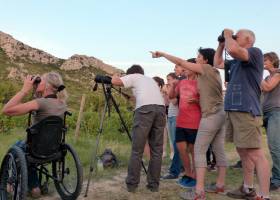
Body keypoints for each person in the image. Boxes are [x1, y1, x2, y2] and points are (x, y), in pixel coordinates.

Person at [151, 48, 227, 200]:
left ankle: (198, 192)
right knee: (218, 150)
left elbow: (180, 62)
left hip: (210, 115)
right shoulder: (212, 73)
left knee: (198, 151)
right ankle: (220, 185)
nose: (196, 59)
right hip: (220, 113)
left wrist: (164, 54)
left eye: (199, 56)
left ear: (205, 60)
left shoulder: (205, 69)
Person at [215, 29, 270, 200]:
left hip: (246, 109)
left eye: (237, 36)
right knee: (243, 151)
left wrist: (228, 33)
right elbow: (217, 63)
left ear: (248, 39)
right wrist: (221, 44)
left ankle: (264, 195)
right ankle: (247, 188)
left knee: (255, 153)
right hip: (234, 109)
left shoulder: (255, 52)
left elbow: (233, 50)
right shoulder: (237, 62)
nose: (234, 38)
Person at [2, 72, 67, 198]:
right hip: (53, 149)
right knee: (28, 152)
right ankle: (35, 187)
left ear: (47, 85)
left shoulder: (40, 103)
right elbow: (44, 103)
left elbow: (7, 110)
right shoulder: (62, 104)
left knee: (17, 147)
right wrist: (37, 90)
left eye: (40, 81)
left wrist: (24, 90)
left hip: (34, 149)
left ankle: (10, 184)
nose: (37, 82)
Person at [111, 64, 166, 192]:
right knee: (157, 150)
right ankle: (153, 185)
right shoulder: (150, 80)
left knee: (137, 150)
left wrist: (114, 75)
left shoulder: (134, 76)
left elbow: (115, 81)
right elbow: (145, 98)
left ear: (132, 73)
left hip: (145, 111)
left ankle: (132, 184)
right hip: (160, 110)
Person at [168, 63, 201, 189]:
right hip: (181, 121)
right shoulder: (182, 83)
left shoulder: (201, 83)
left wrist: (198, 101)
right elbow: (171, 96)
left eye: (187, 68)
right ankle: (188, 174)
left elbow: (207, 102)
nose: (184, 70)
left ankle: (197, 175)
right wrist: (173, 86)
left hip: (194, 122)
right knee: (182, 150)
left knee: (193, 151)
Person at [261, 52, 280, 191]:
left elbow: (267, 87)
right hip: (267, 113)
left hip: (276, 113)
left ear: (273, 60)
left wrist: (255, 72)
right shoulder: (267, 76)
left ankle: (277, 179)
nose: (263, 62)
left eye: (265, 60)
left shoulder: (278, 73)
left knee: (275, 146)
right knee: (273, 146)